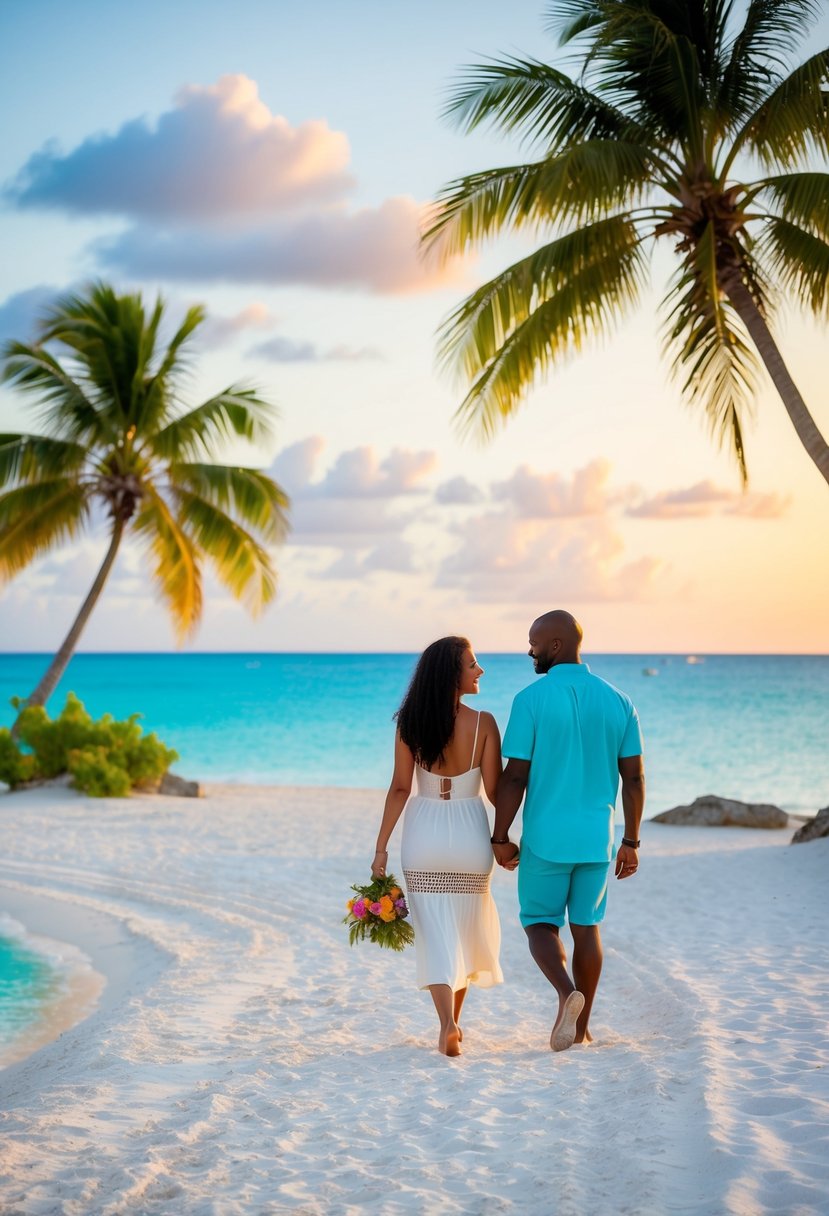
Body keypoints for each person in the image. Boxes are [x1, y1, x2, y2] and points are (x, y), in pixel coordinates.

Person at [491, 610, 644, 1052]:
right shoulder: (620, 700)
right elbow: (633, 779)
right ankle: (582, 1028)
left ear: (556, 645)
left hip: (545, 839)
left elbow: (515, 776)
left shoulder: (530, 699)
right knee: (587, 928)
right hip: (598, 840)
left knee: (539, 923)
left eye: (534, 642)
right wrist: (631, 841)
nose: (529, 650)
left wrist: (500, 836)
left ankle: (564, 992)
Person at [371, 636, 504, 1057]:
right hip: (469, 833)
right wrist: (509, 836)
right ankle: (453, 1023)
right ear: (452, 673)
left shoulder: (410, 722)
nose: (480, 671)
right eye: (472, 664)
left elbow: (399, 788)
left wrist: (381, 849)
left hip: (424, 831)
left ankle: (447, 1023)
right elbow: (500, 794)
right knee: (464, 929)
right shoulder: (484, 723)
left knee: (436, 934)